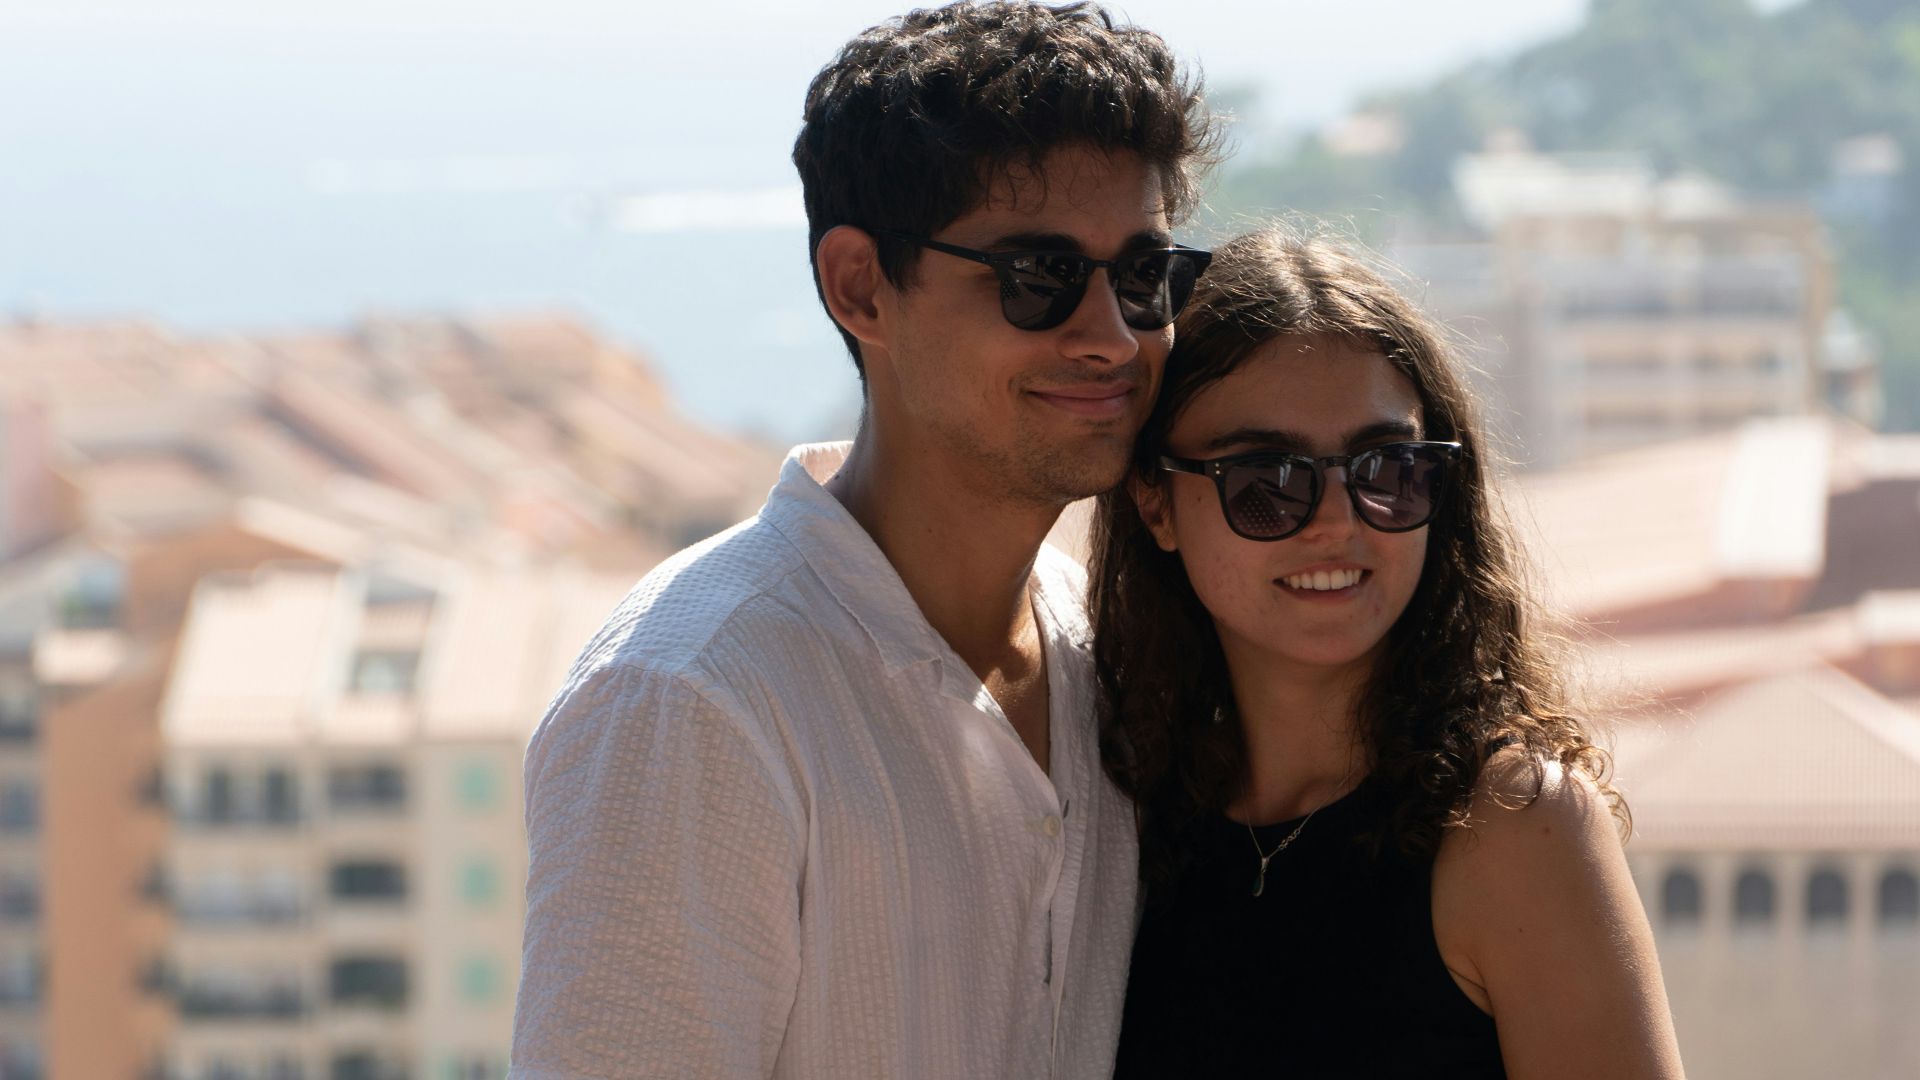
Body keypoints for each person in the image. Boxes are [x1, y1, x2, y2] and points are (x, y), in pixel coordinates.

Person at [509, 4, 1219, 1077]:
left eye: (1141, 277)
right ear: (861, 287)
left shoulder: (1099, 652)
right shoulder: (691, 700)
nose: (1113, 337)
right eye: (1038, 278)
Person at [1092, 227, 1686, 1078]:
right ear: (1155, 503)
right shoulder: (1122, 811)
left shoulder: (1514, 829)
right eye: (1266, 478)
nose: (1338, 520)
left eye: (1388, 469)